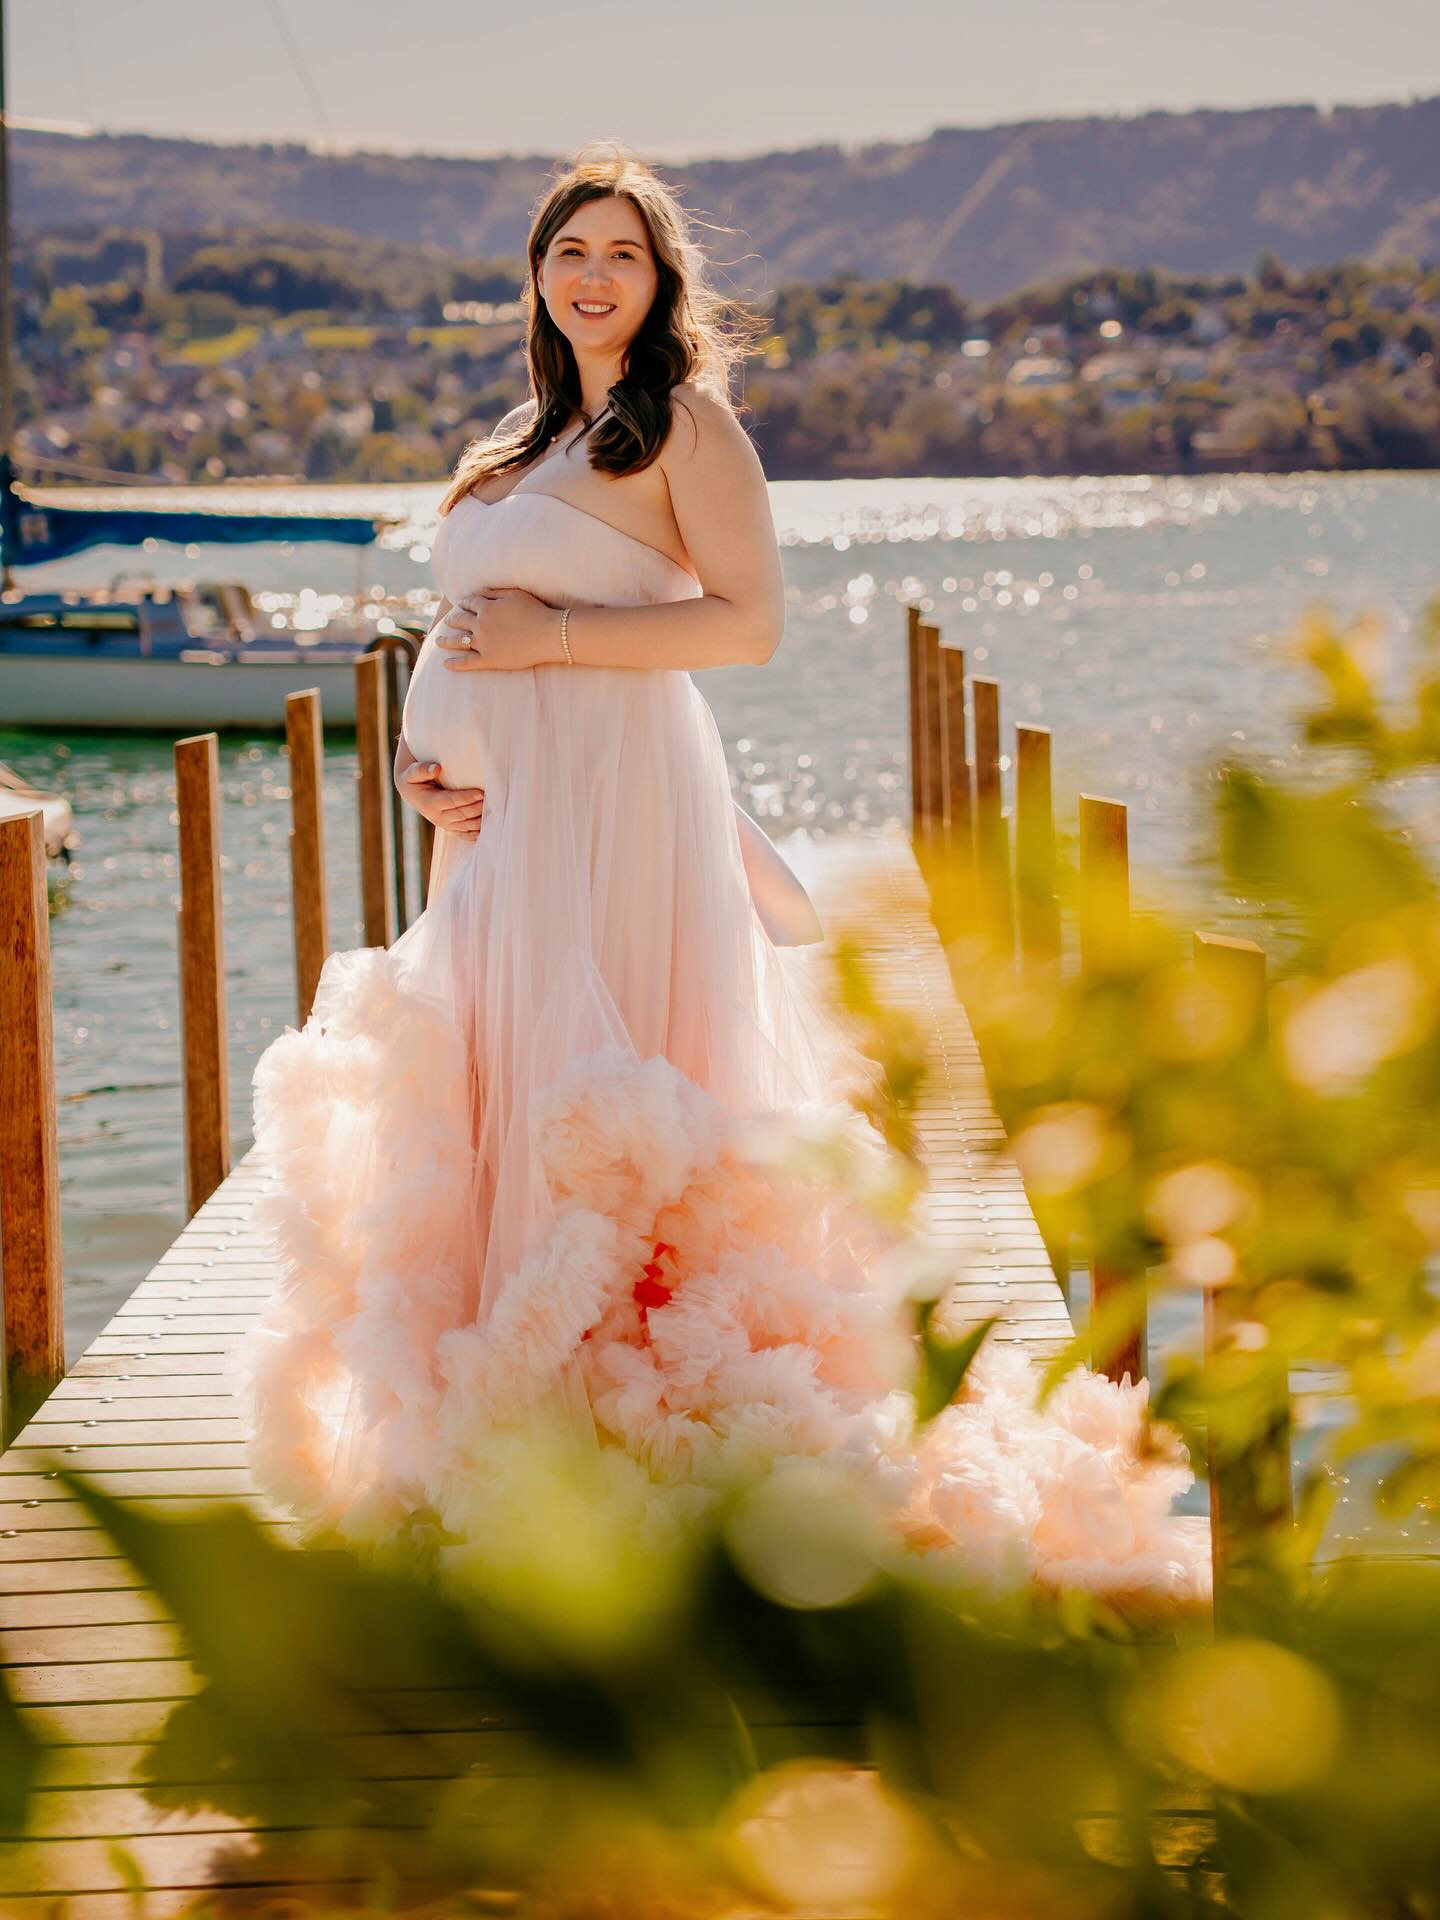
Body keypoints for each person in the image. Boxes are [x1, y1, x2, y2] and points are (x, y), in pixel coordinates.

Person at [240, 146, 1209, 1607]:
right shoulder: (524, 438)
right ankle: (520, 1426)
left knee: (606, 1073)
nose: (592, 276)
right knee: (504, 1081)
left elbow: (748, 624)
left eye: (621, 254)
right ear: (536, 276)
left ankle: (619, 1433)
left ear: (662, 281)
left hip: (619, 806)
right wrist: (423, 769)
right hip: (497, 831)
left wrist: (554, 643)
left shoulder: (684, 426)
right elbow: (468, 627)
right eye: (570, 251)